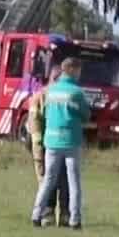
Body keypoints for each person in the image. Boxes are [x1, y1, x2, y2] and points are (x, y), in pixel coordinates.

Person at [31, 58, 91, 228]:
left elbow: (44, 112)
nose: (80, 74)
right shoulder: (77, 92)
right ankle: (75, 219)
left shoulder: (50, 91)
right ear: (71, 69)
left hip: (51, 140)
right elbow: (86, 115)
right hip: (71, 140)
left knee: (48, 180)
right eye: (79, 70)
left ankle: (36, 214)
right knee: (73, 181)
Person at [24, 80, 71, 226]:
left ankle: (49, 215)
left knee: (48, 181)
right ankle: (58, 215)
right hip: (56, 144)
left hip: (48, 143)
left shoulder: (40, 96)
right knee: (59, 181)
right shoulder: (55, 96)